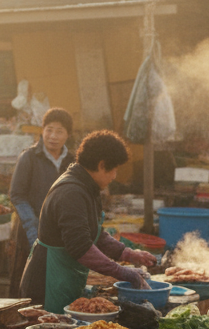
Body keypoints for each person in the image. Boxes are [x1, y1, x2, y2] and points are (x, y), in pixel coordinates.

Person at [19, 130, 154, 312]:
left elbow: (94, 233)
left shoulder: (86, 186)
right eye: (114, 169)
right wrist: (121, 271)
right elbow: (80, 246)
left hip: (63, 278)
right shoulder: (71, 192)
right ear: (101, 165)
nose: (114, 176)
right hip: (47, 284)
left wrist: (127, 253)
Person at [8, 108, 72, 296]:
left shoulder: (72, 161)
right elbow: (17, 195)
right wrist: (33, 228)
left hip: (61, 233)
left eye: (59, 131)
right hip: (30, 232)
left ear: (67, 135)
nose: (53, 136)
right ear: (42, 131)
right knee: (27, 285)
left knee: (56, 285)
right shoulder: (29, 157)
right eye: (49, 130)